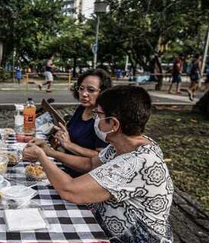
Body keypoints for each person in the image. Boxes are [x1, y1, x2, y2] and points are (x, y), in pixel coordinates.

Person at [23, 85, 173, 242]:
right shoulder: (125, 144)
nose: (95, 120)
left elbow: (70, 191)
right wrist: (50, 152)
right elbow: (91, 163)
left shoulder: (138, 162)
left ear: (113, 124)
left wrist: (41, 157)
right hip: (106, 226)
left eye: (98, 115)